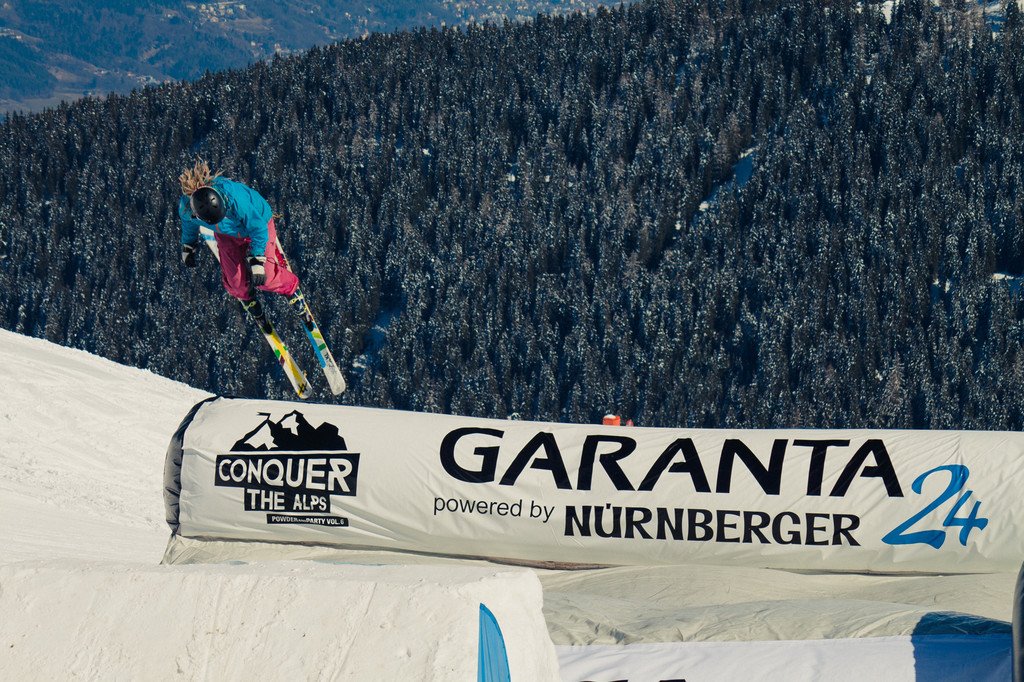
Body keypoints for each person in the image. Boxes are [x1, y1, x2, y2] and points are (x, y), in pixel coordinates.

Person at [177, 159, 299, 319]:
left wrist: (257, 260)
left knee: (266, 278)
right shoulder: (187, 208)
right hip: (228, 234)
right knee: (236, 283)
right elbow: (188, 223)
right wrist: (188, 245)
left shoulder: (235, 198)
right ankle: (247, 296)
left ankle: (290, 287)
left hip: (258, 224)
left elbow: (258, 228)